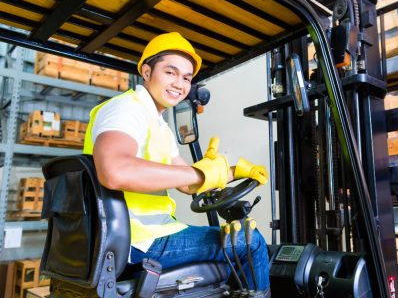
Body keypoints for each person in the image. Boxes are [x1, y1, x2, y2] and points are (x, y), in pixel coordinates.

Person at [82, 32, 270, 291]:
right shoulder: (127, 109)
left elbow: (187, 182)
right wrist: (198, 175)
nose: (179, 84)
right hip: (139, 241)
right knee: (252, 243)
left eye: (186, 78)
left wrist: (234, 171)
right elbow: (114, 170)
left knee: (234, 256)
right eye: (170, 73)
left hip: (146, 236)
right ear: (146, 72)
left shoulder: (158, 124)